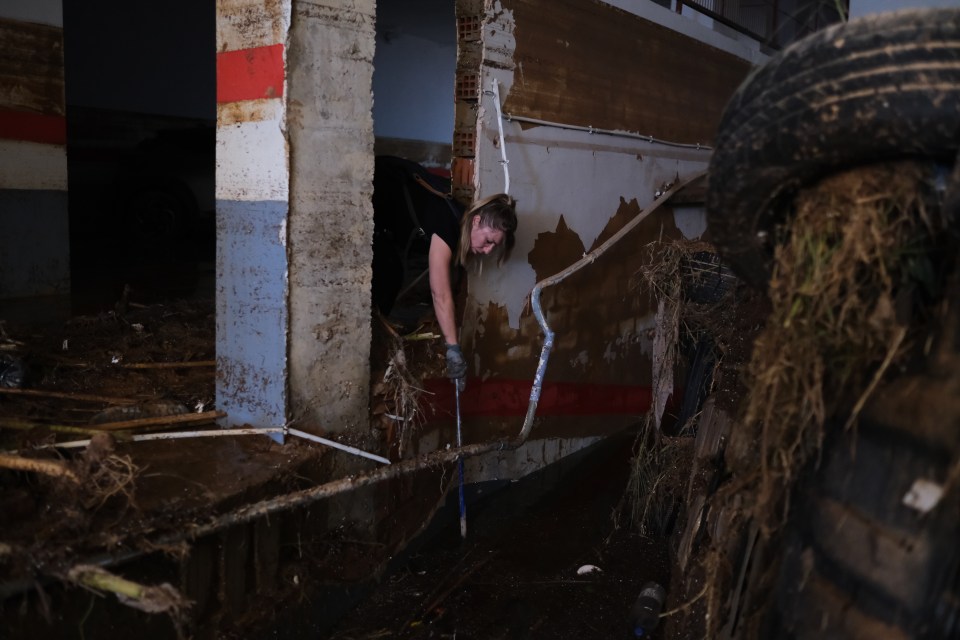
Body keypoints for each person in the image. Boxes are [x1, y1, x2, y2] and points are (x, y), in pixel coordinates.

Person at [371, 156, 518, 388]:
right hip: (372, 186)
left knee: (391, 272)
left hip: (384, 210)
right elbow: (440, 293)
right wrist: (453, 350)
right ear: (476, 221)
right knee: (388, 274)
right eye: (489, 241)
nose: (489, 250)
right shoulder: (448, 224)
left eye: (495, 246)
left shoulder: (457, 221)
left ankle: (375, 338)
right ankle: (372, 348)